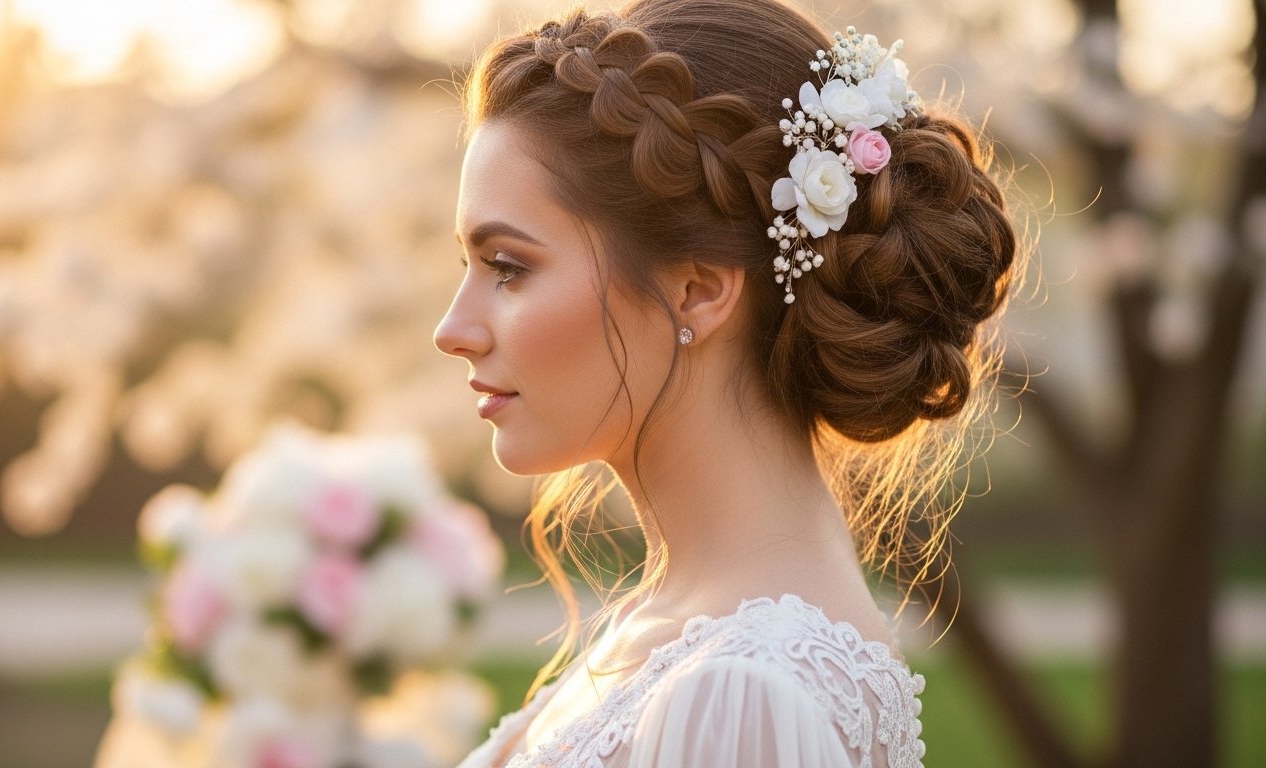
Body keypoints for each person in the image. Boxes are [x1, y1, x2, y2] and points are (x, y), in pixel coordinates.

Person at [434, 0, 1018, 765]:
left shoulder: (738, 696)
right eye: (470, 266)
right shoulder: (683, 633)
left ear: (699, 291)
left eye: (508, 267)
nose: (453, 329)